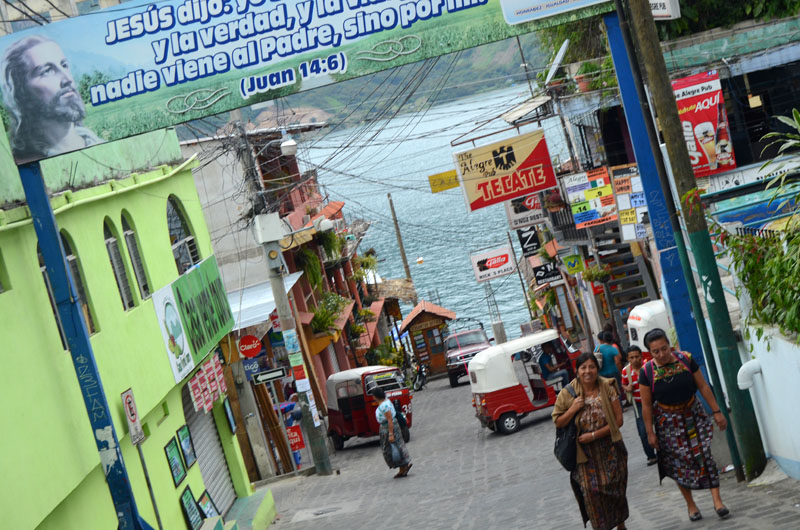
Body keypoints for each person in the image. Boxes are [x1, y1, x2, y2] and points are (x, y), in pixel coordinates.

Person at [639, 328, 729, 522]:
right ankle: (691, 505)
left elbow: (703, 386)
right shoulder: (646, 372)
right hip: (668, 422)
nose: (661, 354)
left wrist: (716, 411)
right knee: (678, 464)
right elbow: (646, 405)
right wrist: (649, 432)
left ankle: (717, 501)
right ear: (649, 352)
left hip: (693, 415)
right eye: (656, 351)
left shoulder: (685, 359)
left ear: (670, 345)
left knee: (705, 455)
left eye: (664, 348)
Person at [553, 352, 628, 530]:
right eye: (583, 367)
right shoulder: (567, 393)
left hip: (610, 449)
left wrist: (594, 435)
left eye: (592, 367)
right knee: (590, 494)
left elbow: (618, 421)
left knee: (616, 490)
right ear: (577, 371)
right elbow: (558, 421)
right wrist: (573, 409)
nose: (588, 371)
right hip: (584, 456)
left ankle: (621, 525)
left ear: (597, 369)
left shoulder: (607, 387)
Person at [1, 35, 103, 163]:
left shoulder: (100, 145)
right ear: (21, 92)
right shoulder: (20, 165)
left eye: (64, 65)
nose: (68, 79)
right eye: (47, 71)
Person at [621, 345, 657, 466]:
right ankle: (651, 456)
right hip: (639, 405)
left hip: (653, 402)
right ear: (628, 359)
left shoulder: (648, 367)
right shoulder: (626, 372)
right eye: (632, 357)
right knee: (643, 431)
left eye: (637, 356)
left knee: (658, 426)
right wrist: (627, 388)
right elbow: (623, 384)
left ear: (641, 356)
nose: (635, 359)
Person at [372, 387, 412, 478]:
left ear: (376, 396)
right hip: (389, 427)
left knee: (391, 448)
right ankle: (403, 467)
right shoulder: (386, 402)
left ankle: (403, 467)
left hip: (389, 428)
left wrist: (390, 434)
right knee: (398, 446)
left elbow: (389, 419)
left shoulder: (384, 406)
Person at [597, 332, 623, 399]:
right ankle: (619, 404)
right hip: (613, 373)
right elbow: (618, 362)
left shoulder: (598, 347)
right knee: (616, 391)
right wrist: (620, 372)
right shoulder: (613, 349)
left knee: (606, 391)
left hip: (601, 374)